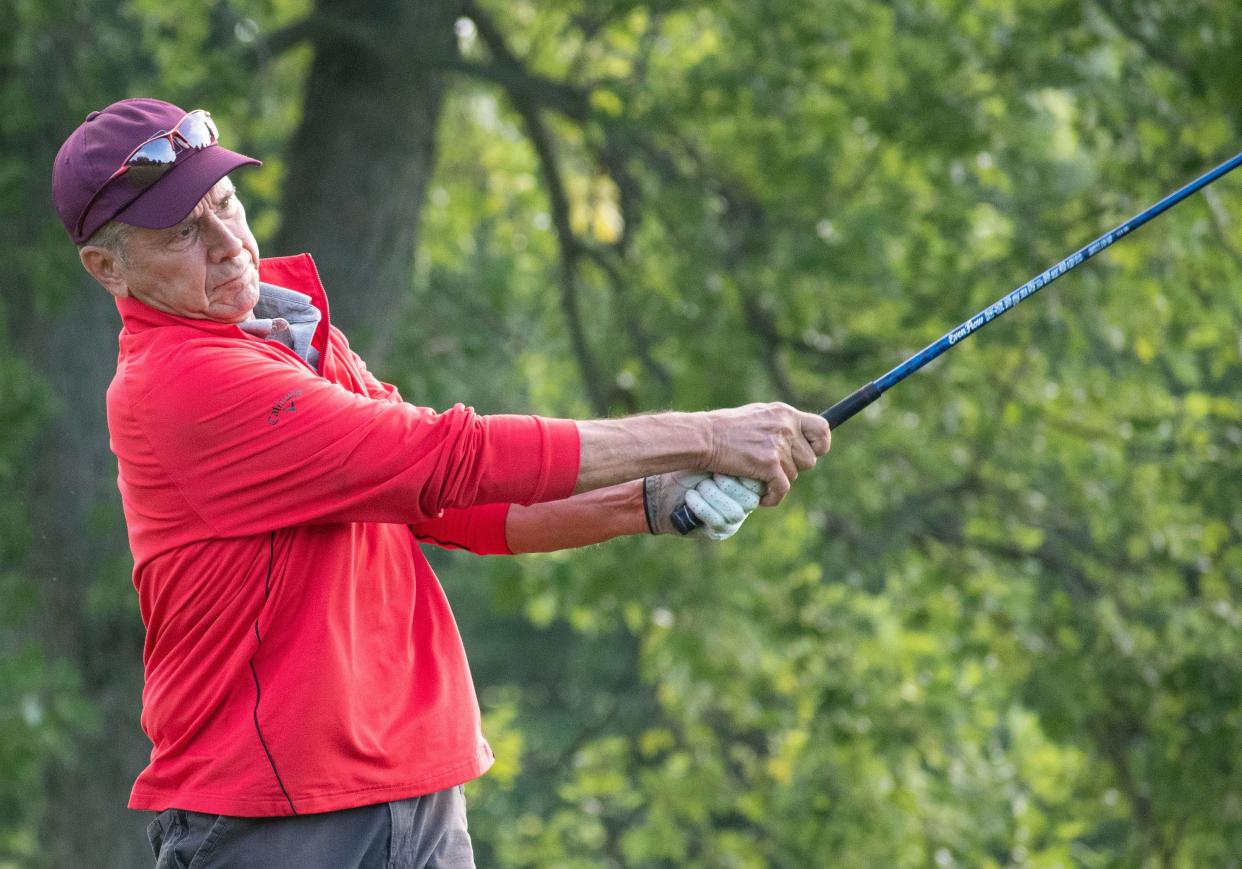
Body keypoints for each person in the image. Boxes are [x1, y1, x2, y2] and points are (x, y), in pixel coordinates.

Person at [52, 98, 830, 868]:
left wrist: (650, 501)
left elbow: (454, 506)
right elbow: (446, 457)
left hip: (414, 791)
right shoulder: (182, 381)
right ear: (106, 266)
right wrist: (709, 433)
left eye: (226, 202)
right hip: (278, 818)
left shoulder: (288, 335)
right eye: (185, 231)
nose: (228, 243)